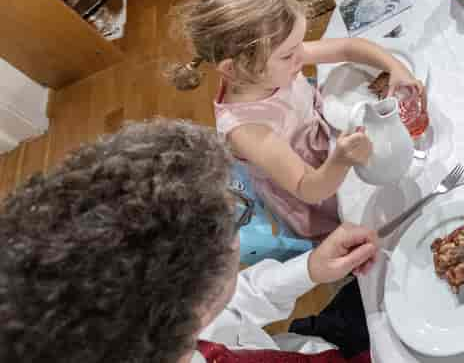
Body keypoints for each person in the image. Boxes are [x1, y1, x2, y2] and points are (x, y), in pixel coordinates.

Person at [0, 119, 379, 362]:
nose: (239, 221)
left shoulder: (151, 326)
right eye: (238, 219)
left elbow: (234, 309)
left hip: (313, 347)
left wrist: (309, 270)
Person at [169, 0, 420, 240]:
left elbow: (347, 47)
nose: (301, 55)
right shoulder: (245, 130)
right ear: (234, 69)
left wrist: (395, 67)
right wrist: (341, 160)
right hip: (318, 184)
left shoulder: (275, 58)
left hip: (329, 141)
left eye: (298, 45)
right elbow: (307, 187)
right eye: (289, 54)